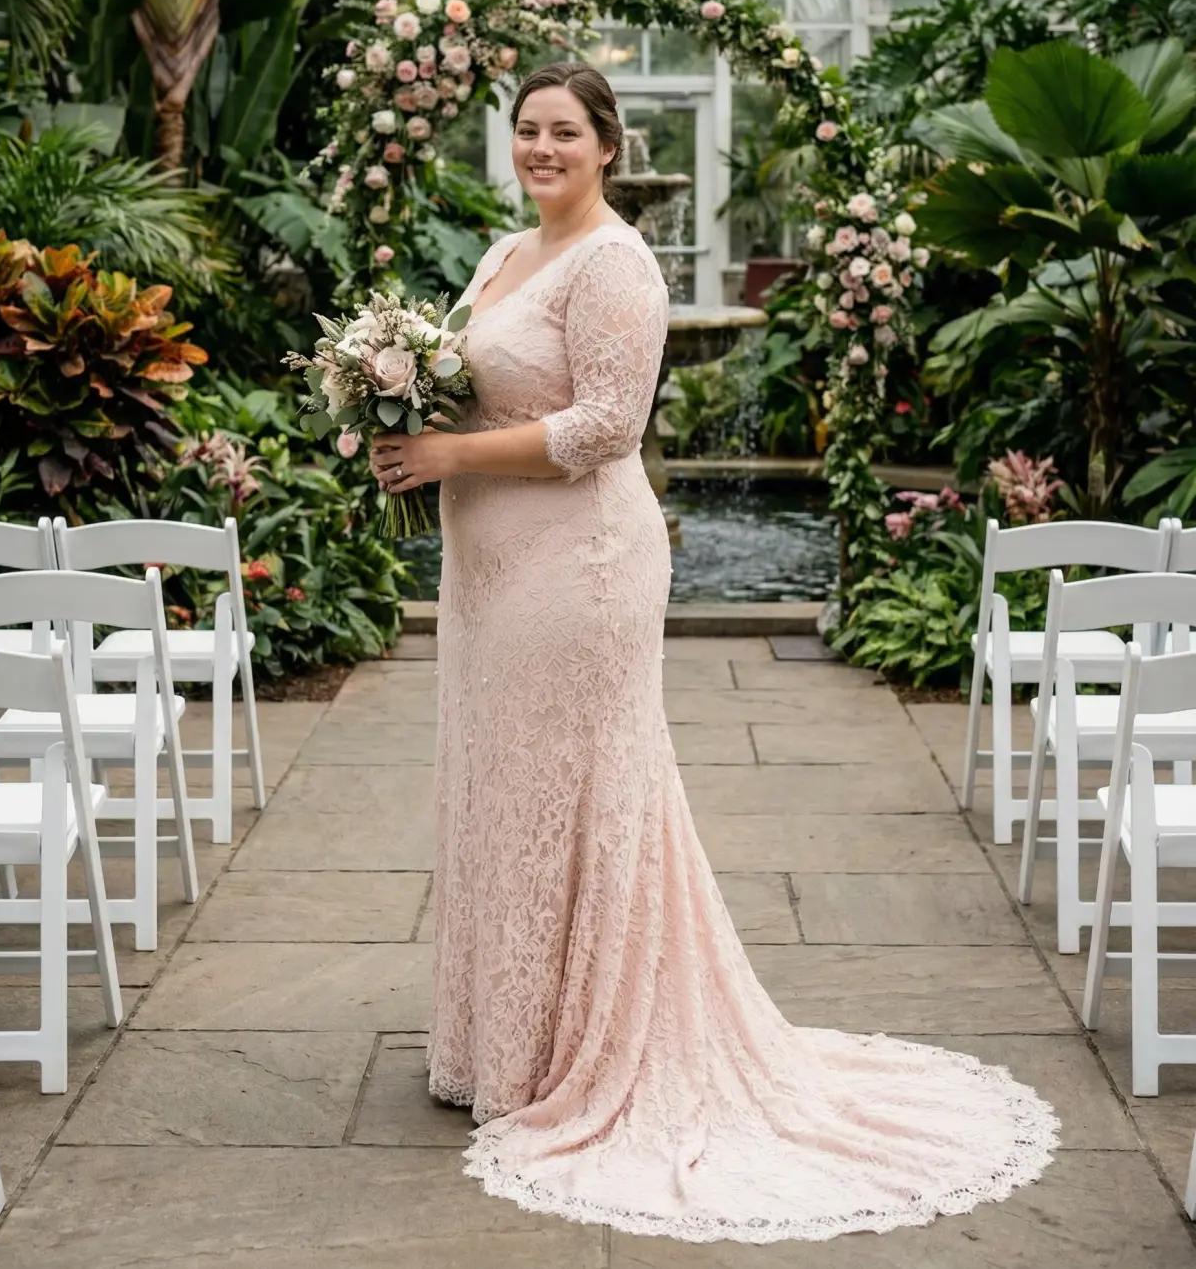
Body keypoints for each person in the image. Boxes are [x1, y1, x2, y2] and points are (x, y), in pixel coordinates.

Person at [368, 61, 1057, 1243]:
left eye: (566, 133)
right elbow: (477, 389)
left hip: (578, 568)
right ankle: (504, 1043)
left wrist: (445, 457)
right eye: (528, 130)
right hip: (488, 571)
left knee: (577, 788)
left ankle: (586, 1047)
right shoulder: (499, 254)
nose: (543, 149)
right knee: (501, 785)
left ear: (610, 145)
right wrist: (394, 405)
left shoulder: (618, 264)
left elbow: (602, 428)